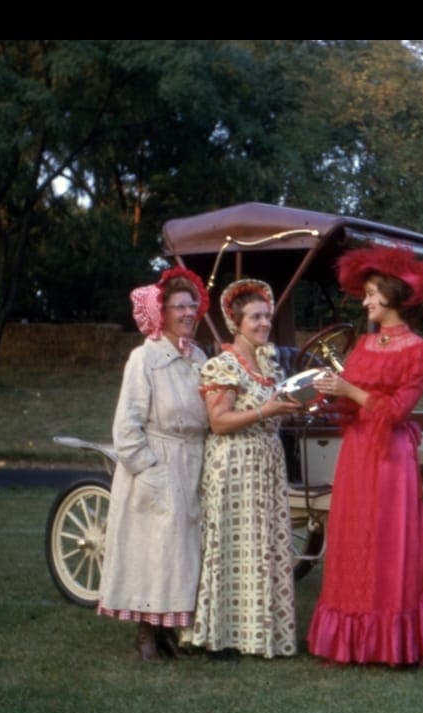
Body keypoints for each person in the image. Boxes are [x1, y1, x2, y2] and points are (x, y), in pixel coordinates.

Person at [307, 246, 423, 666]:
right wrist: (327, 392)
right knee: (353, 540)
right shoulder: (366, 344)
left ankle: (390, 641)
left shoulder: (419, 351)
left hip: (390, 456)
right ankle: (352, 639)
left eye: (372, 294)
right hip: (357, 451)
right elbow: (351, 406)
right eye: (367, 294)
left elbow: (396, 412)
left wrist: (349, 390)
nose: (366, 302)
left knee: (388, 544)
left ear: (391, 295)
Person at [98, 266, 210, 662]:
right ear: (161, 313)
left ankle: (167, 631)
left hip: (191, 459)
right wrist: (149, 469)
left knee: (181, 552)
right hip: (157, 463)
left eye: (192, 305)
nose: (187, 313)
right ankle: (145, 632)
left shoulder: (199, 357)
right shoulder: (144, 358)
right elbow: (126, 426)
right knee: (153, 549)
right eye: (179, 306)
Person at [191, 279, 302, 659]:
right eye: (255, 317)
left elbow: (273, 412)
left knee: (263, 547)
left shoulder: (268, 363)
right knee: (233, 548)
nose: (264, 323)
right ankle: (220, 636)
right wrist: (264, 411)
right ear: (235, 323)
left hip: (267, 461)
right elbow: (219, 422)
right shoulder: (222, 365)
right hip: (234, 464)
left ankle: (260, 635)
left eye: (267, 316)